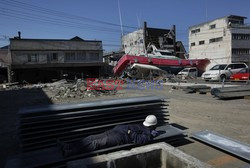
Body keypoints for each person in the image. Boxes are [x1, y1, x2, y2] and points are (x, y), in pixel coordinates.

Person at [57, 115, 159, 157]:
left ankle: (69, 152)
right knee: (92, 137)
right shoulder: (143, 126)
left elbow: (140, 140)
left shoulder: (148, 134)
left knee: (96, 143)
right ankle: (68, 145)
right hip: (117, 130)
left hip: (121, 137)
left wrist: (130, 133)